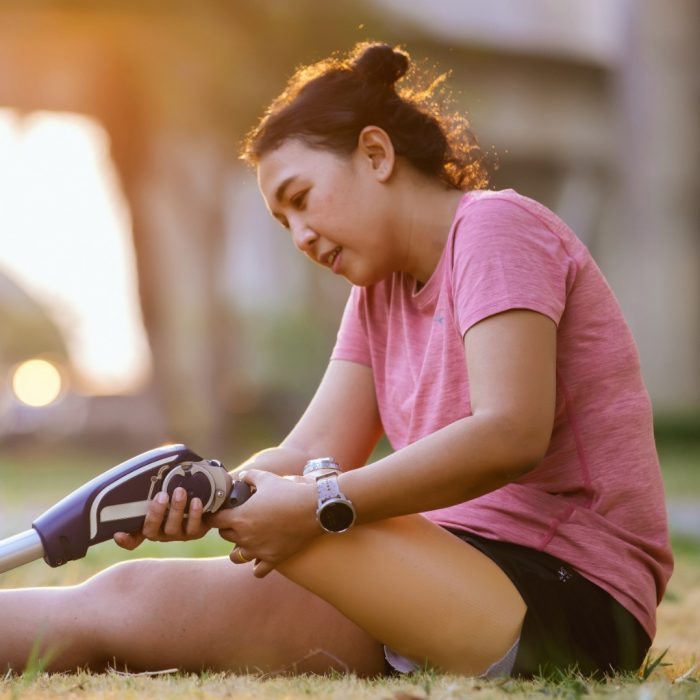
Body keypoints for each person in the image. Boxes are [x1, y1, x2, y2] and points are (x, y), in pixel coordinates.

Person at [0, 42, 673, 679]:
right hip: (429, 576)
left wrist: (317, 505)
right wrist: (197, 495)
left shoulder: (496, 228)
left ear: (375, 154)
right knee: (125, 597)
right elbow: (310, 450)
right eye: (281, 222)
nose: (299, 236)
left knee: (262, 510)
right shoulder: (375, 291)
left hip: (570, 598)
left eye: (300, 199)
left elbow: (510, 434)